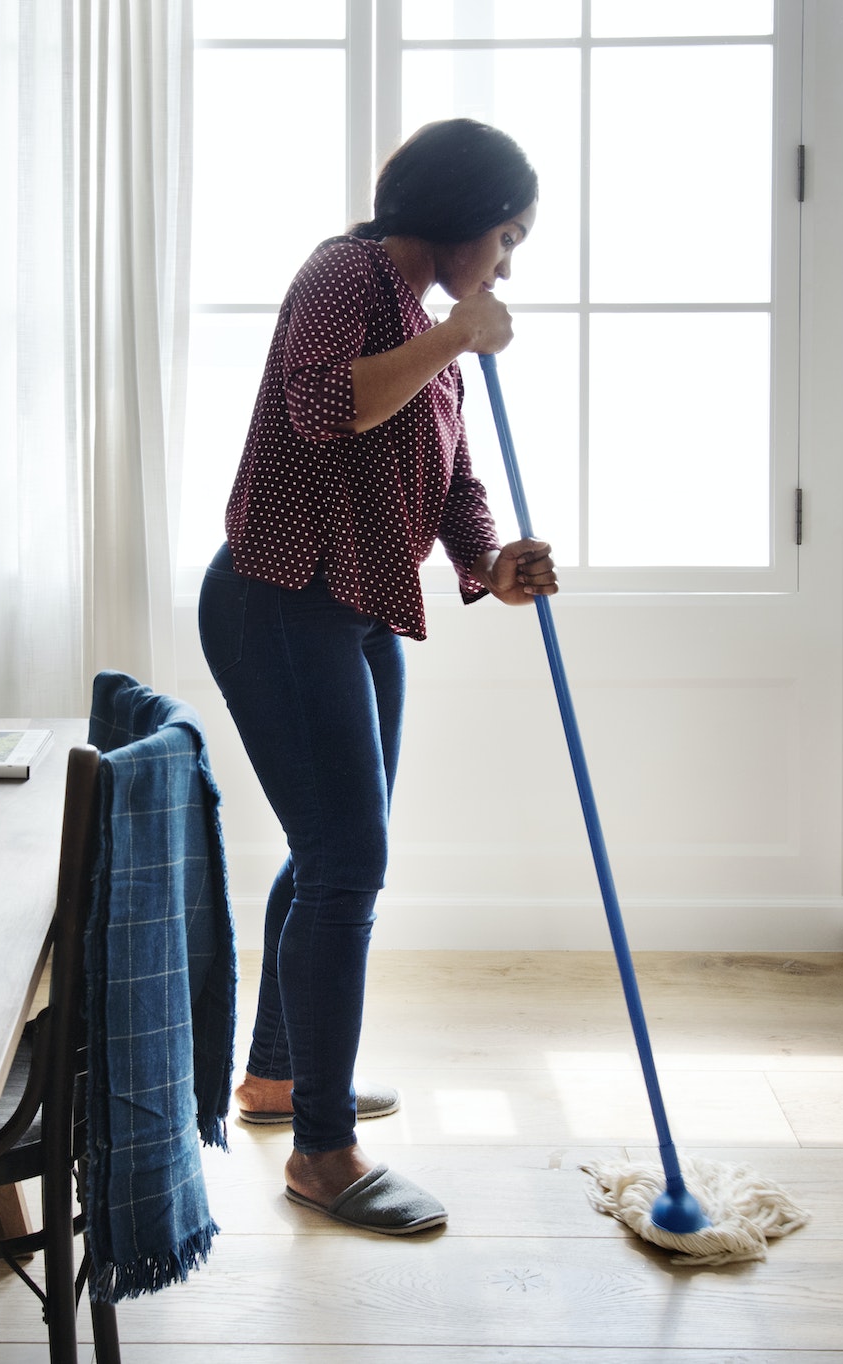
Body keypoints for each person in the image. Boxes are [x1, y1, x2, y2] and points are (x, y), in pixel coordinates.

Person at [198, 118, 556, 1236]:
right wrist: (454, 336)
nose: (505, 262)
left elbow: (442, 465)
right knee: (347, 860)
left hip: (354, 606)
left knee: (328, 853)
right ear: (456, 217)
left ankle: (274, 1077)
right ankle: (321, 1150)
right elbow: (321, 409)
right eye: (504, 236)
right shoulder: (343, 273)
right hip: (277, 594)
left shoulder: (419, 314)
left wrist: (488, 559)